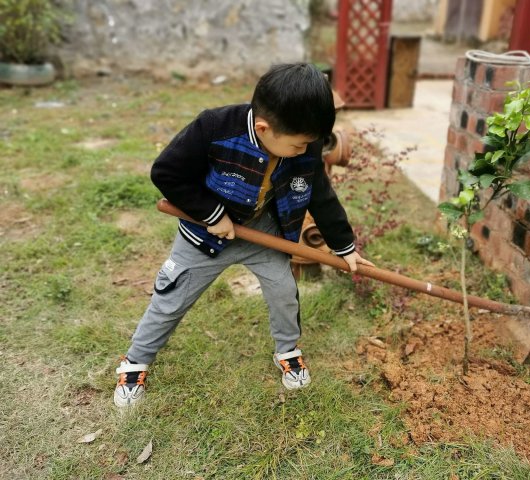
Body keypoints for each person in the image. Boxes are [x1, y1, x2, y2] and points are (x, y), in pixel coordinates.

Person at [113, 63, 373, 407]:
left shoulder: (305, 142)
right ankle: (135, 362)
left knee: (284, 292)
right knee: (171, 296)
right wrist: (211, 214)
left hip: (263, 232)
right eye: (298, 145)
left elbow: (319, 193)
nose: (305, 150)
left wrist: (344, 246)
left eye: (310, 143)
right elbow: (167, 173)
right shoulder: (214, 128)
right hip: (205, 237)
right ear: (264, 128)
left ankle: (288, 351)